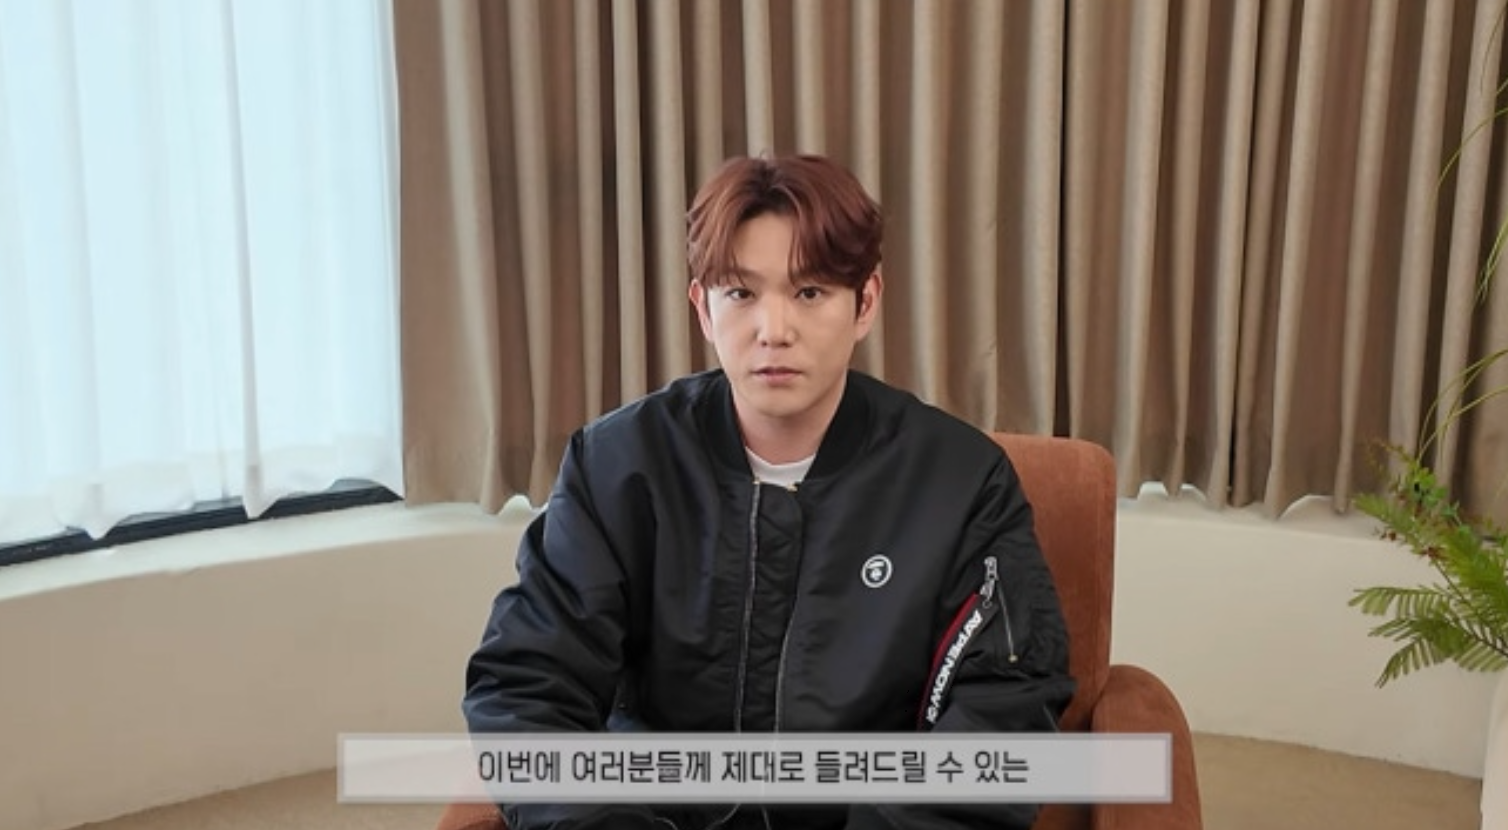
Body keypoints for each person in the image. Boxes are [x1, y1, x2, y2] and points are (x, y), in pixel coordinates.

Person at [462, 153, 1076, 830]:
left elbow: (1007, 705)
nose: (773, 330)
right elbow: (527, 686)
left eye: (809, 292)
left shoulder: (960, 480)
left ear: (865, 302)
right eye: (740, 293)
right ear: (703, 308)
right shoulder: (616, 466)